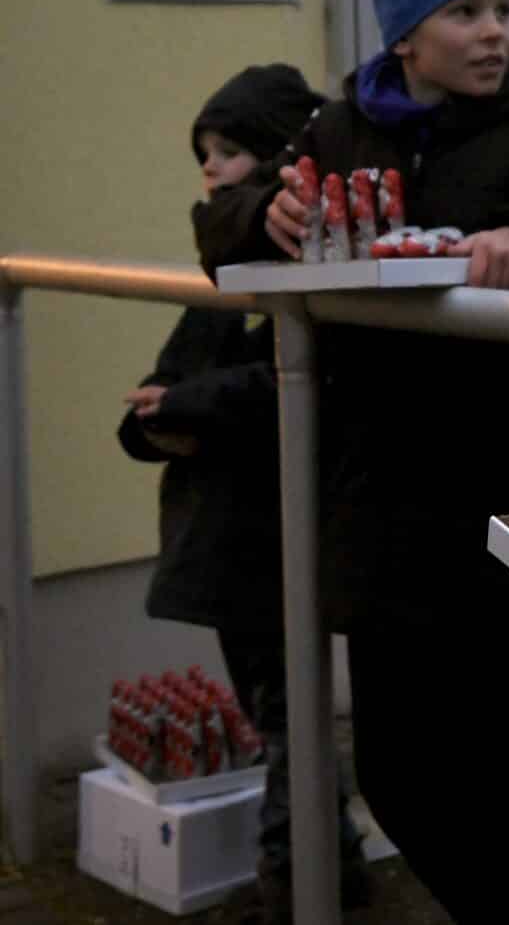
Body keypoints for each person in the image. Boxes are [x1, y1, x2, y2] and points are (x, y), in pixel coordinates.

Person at [195, 0, 509, 924]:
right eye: (463, 12)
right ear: (405, 33)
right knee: (397, 780)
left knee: (507, 814)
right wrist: (257, 215)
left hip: (496, 524)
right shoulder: (335, 135)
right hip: (375, 523)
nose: (493, 34)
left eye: (501, 11)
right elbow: (223, 230)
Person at [119, 63, 370, 923]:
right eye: (203, 154)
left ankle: (296, 880)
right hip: (231, 537)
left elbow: (292, 383)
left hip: (276, 535)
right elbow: (172, 379)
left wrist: (188, 405)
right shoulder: (227, 273)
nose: (211, 169)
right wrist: (154, 419)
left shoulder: (296, 260)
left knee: (287, 716)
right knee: (279, 716)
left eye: (228, 150)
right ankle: (325, 862)